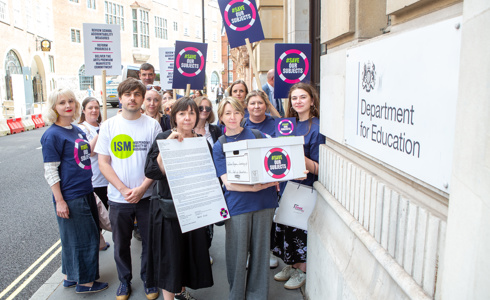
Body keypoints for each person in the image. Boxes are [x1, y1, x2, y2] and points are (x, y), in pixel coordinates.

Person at [95, 78, 161, 300]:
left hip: (147, 196)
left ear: (142, 98)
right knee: (121, 244)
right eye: (127, 94)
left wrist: (143, 188)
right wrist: (123, 189)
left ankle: (149, 281)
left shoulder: (152, 125)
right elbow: (103, 162)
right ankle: (124, 282)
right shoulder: (108, 126)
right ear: (120, 98)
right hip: (118, 197)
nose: (132, 98)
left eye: (136, 94)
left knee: (150, 242)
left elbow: (158, 162)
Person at [145, 97, 214, 300]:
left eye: (191, 113)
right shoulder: (164, 137)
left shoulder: (202, 142)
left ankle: (181, 293)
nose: (187, 118)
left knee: (186, 255)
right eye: (182, 113)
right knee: (170, 257)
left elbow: (209, 177)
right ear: (174, 116)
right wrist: (167, 146)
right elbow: (152, 171)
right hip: (168, 210)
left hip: (193, 208)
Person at [41, 88, 108, 294]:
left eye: (70, 101)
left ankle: (70, 277)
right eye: (61, 103)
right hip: (71, 195)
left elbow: (87, 152)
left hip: (86, 189)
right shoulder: (52, 135)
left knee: (72, 239)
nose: (67, 105)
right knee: (86, 238)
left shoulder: (76, 130)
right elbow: (50, 171)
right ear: (54, 107)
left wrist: (101, 132)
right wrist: (60, 201)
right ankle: (85, 283)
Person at [213, 97, 279, 300]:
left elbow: (274, 163)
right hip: (238, 205)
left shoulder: (258, 136)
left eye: (236, 112)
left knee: (260, 255)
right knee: (237, 255)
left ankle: (257, 295)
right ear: (221, 118)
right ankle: (236, 295)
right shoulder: (220, 145)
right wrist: (256, 187)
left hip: (265, 203)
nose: (232, 117)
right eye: (227, 113)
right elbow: (229, 184)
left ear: (243, 114)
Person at [271, 83, 325, 290]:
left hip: (305, 189)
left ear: (312, 100)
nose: (298, 101)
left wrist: (298, 157)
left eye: (303, 97)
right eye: (294, 98)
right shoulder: (288, 125)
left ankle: (302, 269)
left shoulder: (318, 128)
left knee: (300, 232)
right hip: (286, 187)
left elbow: (321, 168)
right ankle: (292, 265)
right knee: (287, 229)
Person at [78, 97, 111, 251]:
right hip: (94, 180)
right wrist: (100, 132)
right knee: (96, 215)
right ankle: (98, 242)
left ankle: (99, 239)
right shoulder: (81, 129)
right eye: (90, 108)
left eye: (97, 108)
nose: (94, 111)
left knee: (105, 214)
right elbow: (88, 152)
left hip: (108, 178)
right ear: (83, 110)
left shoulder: (103, 125)